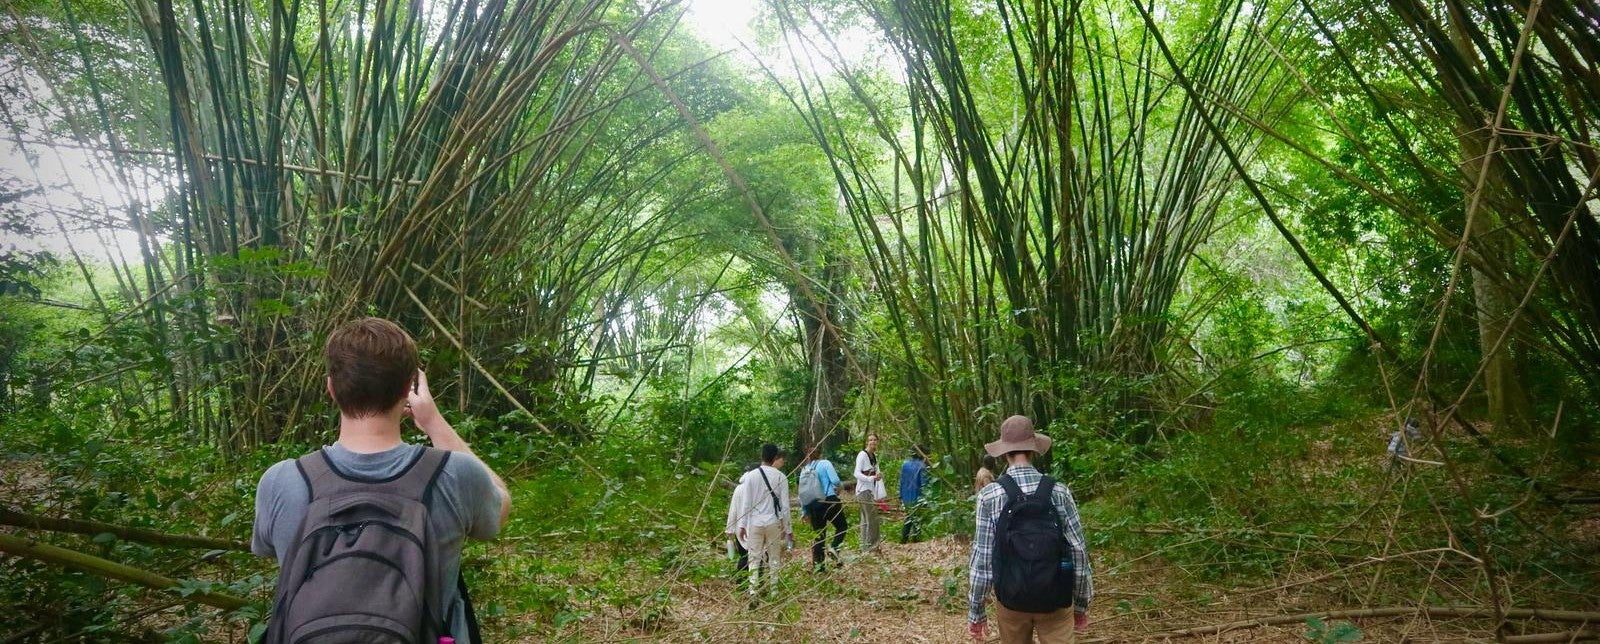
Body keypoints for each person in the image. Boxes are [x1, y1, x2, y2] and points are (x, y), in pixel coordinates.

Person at [252, 318, 511, 644]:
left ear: (331, 388)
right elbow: (500, 503)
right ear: (408, 389)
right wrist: (433, 422)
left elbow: (267, 550)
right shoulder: (455, 476)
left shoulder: (281, 482)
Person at [968, 415, 1092, 643]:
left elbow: (983, 559)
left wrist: (977, 611)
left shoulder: (989, 496)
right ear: (1034, 450)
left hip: (1011, 600)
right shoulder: (1060, 492)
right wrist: (1081, 603)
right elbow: (1078, 552)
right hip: (1055, 598)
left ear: (1005, 453)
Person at [736, 443, 792, 600]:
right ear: (775, 458)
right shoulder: (781, 477)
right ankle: (774, 591)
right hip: (773, 522)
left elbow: (746, 503)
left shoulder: (751, 476)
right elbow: (785, 507)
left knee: (754, 557)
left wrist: (741, 525)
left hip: (754, 522)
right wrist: (788, 530)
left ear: (762, 456)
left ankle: (753, 592)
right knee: (774, 557)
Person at [801, 446, 847, 572]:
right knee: (842, 526)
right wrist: (840, 486)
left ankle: (819, 567)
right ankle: (834, 547)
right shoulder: (825, 463)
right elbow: (835, 481)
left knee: (819, 535)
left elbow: (803, 493)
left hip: (814, 505)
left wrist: (804, 511)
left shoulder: (805, 469)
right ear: (820, 454)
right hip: (829, 500)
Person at [725, 461, 759, 587]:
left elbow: (733, 510)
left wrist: (730, 529)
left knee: (744, 556)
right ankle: (754, 584)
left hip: (741, 529)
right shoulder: (757, 488)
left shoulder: (739, 489)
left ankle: (742, 583)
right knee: (757, 558)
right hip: (755, 528)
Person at [854, 434, 885, 552]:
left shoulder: (874, 457)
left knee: (865, 520)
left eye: (875, 440)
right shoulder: (862, 455)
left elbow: (874, 473)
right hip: (863, 490)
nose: (873, 442)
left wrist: (877, 476)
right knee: (873, 518)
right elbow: (856, 473)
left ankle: (864, 547)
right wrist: (869, 479)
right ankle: (873, 547)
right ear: (867, 442)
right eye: (870, 440)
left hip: (870, 491)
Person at [900, 444, 930, 543]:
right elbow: (924, 484)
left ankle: (904, 540)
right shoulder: (922, 466)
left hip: (906, 496)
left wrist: (901, 496)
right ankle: (915, 540)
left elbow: (902, 481)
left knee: (909, 518)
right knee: (916, 520)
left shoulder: (905, 464)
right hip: (917, 497)